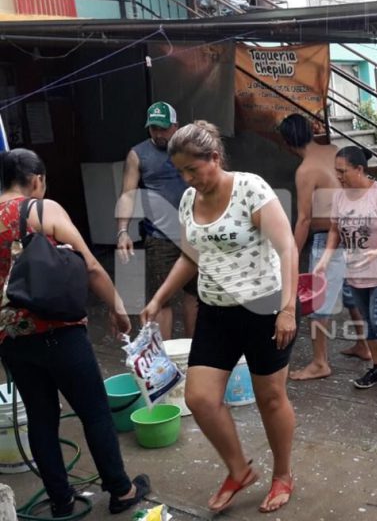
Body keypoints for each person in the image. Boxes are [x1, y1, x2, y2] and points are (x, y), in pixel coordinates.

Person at [140, 121, 298, 514]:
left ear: (214, 157)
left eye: (192, 169)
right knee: (199, 398)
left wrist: (288, 309)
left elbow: (287, 249)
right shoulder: (188, 200)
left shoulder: (251, 189)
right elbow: (190, 256)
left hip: (264, 309)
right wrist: (159, 298)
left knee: (271, 398)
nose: (187, 179)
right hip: (214, 311)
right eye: (180, 171)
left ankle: (282, 474)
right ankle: (239, 470)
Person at [0, 149, 149, 518]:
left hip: (12, 338)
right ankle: (121, 490)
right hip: (59, 333)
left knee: (41, 418)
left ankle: (61, 500)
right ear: (36, 180)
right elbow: (92, 266)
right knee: (94, 411)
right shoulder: (41, 210)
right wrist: (117, 308)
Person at [277, 114, 369, 380]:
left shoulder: (305, 170)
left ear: (287, 143)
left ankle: (320, 363)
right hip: (355, 235)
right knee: (352, 295)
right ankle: (363, 345)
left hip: (329, 239)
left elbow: (304, 219)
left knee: (318, 303)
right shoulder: (334, 150)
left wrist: (291, 254)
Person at [315, 146, 377, 396]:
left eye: (343, 171)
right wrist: (325, 259)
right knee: (368, 323)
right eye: (336, 171)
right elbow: (334, 231)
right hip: (356, 272)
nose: (338, 176)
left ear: (359, 169)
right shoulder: (340, 196)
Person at [116, 101, 197, 341]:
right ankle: (166, 354)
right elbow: (128, 195)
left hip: (194, 233)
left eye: (164, 128)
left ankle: (195, 350)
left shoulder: (191, 149)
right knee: (161, 298)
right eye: (154, 128)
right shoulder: (138, 154)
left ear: (176, 126)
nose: (159, 134)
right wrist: (122, 231)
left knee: (196, 295)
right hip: (160, 237)